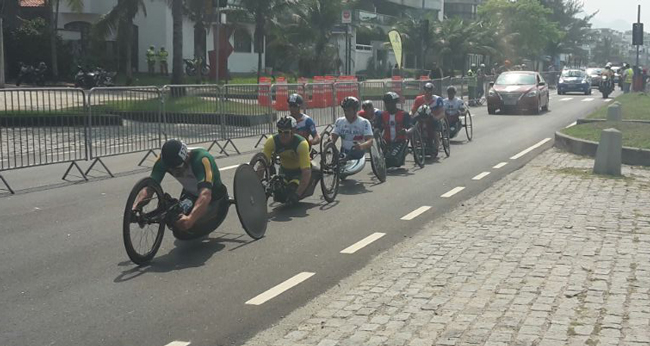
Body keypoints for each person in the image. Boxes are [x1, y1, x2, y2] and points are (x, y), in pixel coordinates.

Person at [133, 139, 228, 232]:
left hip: (215, 196)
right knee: (176, 219)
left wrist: (191, 218)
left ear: (186, 156)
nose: (175, 170)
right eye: (171, 168)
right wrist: (135, 206)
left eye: (178, 167)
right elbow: (150, 189)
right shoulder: (162, 162)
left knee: (192, 225)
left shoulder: (202, 159)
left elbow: (206, 194)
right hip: (191, 194)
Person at [262, 116, 313, 204]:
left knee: (291, 190)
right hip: (284, 171)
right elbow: (262, 164)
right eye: (280, 132)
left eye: (286, 132)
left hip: (299, 172)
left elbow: (306, 171)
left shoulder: (301, 144)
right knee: (278, 194)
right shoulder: (271, 141)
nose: (282, 135)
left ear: (293, 132)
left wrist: (297, 194)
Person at [331, 96, 374, 161]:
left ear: (355, 110)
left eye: (349, 110)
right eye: (345, 110)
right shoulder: (339, 121)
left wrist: (362, 146)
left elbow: (370, 141)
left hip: (358, 153)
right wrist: (329, 141)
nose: (346, 113)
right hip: (344, 152)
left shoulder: (364, 122)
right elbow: (333, 137)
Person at [376, 92, 412, 167]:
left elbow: (410, 127)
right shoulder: (382, 115)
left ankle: (404, 151)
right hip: (386, 142)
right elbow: (377, 128)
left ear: (394, 103)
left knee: (391, 161)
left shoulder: (404, 114)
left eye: (389, 102)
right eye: (386, 102)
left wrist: (406, 131)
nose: (387, 105)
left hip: (399, 141)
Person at [411, 82, 445, 156]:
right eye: (426, 90)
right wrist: (412, 115)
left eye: (430, 90)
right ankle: (416, 144)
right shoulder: (418, 99)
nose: (428, 92)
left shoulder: (438, 99)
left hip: (433, 119)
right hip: (421, 119)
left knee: (436, 132)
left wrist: (437, 118)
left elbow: (442, 113)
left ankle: (436, 148)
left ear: (432, 91)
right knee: (413, 128)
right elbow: (413, 110)